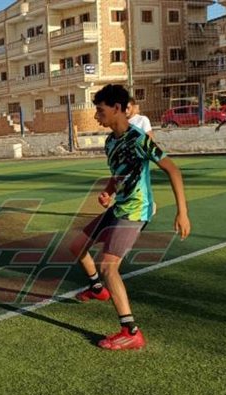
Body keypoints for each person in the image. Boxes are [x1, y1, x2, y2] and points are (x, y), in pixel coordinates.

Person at [69, 84, 191, 351]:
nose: (96, 116)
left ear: (116, 108)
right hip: (120, 205)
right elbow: (120, 175)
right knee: (76, 246)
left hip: (136, 210)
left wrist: (182, 212)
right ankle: (97, 289)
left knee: (108, 266)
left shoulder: (139, 139)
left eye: (100, 110)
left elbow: (173, 170)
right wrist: (108, 192)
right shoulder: (111, 141)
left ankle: (131, 331)